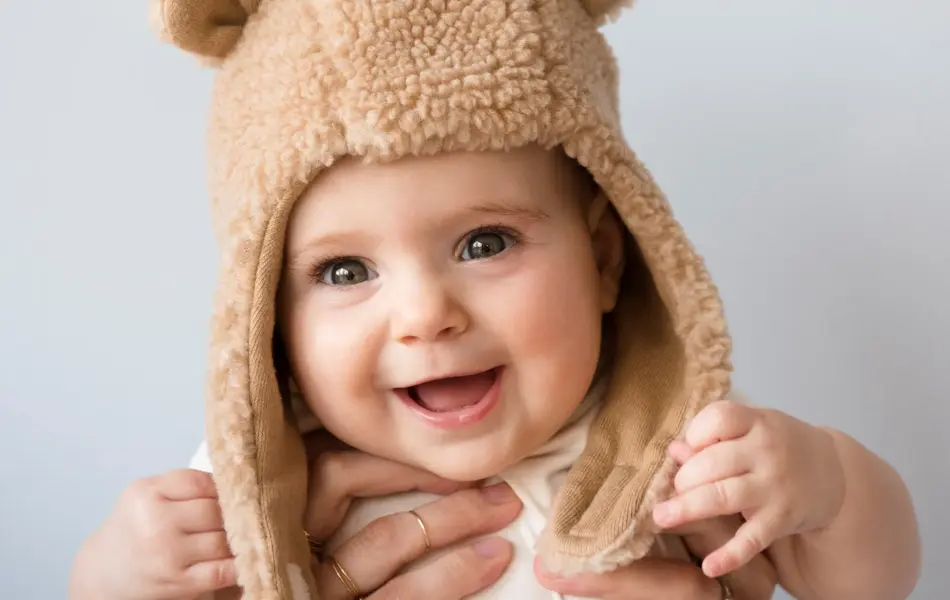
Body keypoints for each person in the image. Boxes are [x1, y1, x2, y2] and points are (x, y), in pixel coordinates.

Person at [70, 0, 921, 598]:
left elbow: (872, 582)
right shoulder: (261, 488)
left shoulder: (674, 441)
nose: (424, 316)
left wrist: (833, 484)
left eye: (485, 243)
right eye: (343, 272)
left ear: (602, 257)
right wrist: (115, 581)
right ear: (267, 320)